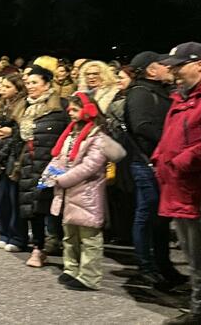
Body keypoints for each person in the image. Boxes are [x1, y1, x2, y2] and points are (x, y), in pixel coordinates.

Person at [155, 42, 201, 325]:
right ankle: (198, 311)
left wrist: (182, 161)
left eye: (179, 65)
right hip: (176, 188)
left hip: (195, 190)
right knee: (193, 258)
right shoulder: (181, 97)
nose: (174, 71)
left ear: (200, 65)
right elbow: (171, 136)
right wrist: (160, 157)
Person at [49, 93, 126, 291]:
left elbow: (89, 167)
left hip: (87, 194)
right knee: (70, 235)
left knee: (89, 237)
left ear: (88, 110)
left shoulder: (98, 137)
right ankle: (71, 269)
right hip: (68, 193)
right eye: (70, 110)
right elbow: (60, 157)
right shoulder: (71, 133)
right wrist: (50, 173)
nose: (70, 113)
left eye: (75, 109)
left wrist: (62, 179)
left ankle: (89, 276)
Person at [121, 51, 184, 287]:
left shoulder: (158, 91)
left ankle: (163, 265)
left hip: (157, 161)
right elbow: (142, 126)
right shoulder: (140, 93)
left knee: (160, 218)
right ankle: (147, 266)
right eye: (163, 64)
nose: (170, 67)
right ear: (151, 70)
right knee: (147, 216)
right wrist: (172, 142)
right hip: (146, 162)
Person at [18, 65, 70, 268]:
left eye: (34, 83)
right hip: (30, 165)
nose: (30, 87)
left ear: (47, 84)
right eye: (28, 83)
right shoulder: (25, 107)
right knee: (35, 208)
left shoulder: (61, 106)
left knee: (57, 208)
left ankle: (65, 249)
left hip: (53, 166)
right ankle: (38, 248)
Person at [0, 74, 28, 253]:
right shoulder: (1, 105)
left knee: (14, 199)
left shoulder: (23, 105)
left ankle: (17, 237)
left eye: (6, 86)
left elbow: (23, 132)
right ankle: (4, 233)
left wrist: (10, 131)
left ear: (17, 88)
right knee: (2, 199)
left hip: (15, 156)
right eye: (2, 86)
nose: (2, 89)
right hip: (0, 154)